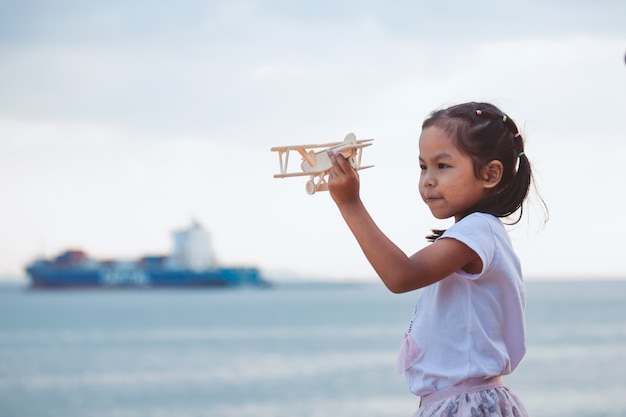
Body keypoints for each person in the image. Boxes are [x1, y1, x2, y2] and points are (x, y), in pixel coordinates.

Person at [327, 102, 545, 417]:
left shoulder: (477, 232)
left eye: (443, 166)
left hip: (466, 404)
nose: (428, 179)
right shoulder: (475, 234)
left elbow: (401, 276)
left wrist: (350, 203)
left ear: (490, 174)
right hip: (458, 402)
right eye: (423, 166)